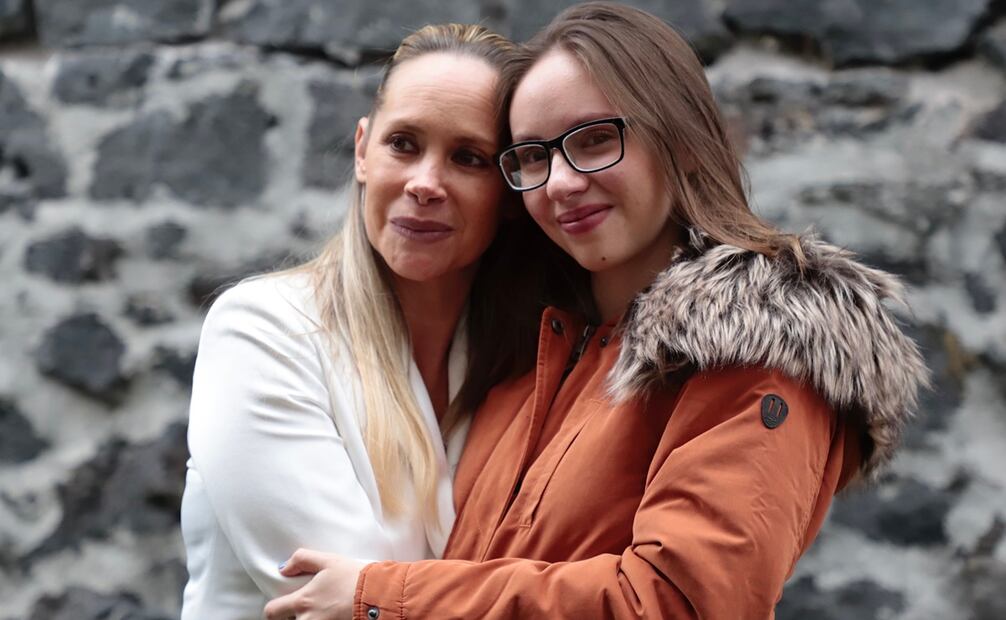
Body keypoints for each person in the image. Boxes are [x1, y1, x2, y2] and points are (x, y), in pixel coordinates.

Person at [263, 3, 928, 619]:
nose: (560, 183)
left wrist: (384, 598)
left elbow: (675, 603)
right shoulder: (535, 353)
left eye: (593, 139)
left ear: (684, 141)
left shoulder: (758, 346)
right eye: (530, 157)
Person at [179, 23, 572, 619]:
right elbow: (333, 597)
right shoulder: (263, 331)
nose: (425, 184)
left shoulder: (526, 367)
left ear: (512, 190)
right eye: (404, 144)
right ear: (363, 149)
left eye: (468, 158)